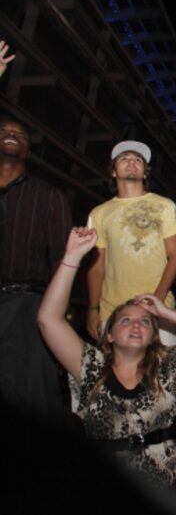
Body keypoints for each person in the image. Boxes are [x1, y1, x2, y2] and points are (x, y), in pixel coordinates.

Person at [37, 228, 176, 498]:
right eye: (125, 320)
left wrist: (164, 311)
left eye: (145, 322)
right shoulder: (90, 366)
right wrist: (72, 257)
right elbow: (48, 320)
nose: (136, 325)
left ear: (153, 337)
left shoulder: (169, 365)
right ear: (110, 335)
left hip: (165, 483)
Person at [0, 115, 71, 419]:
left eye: (20, 134)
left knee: (31, 394)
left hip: (24, 304)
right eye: (4, 131)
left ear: (28, 150)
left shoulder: (48, 196)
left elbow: (61, 259)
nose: (12, 134)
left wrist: (54, 312)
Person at [87, 140, 176, 345]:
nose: (132, 162)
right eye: (124, 159)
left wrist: (156, 300)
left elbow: (175, 257)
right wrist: (93, 309)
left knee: (163, 373)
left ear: (146, 172)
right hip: (112, 310)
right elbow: (97, 266)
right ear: (113, 171)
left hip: (160, 307)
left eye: (138, 159)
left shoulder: (165, 206)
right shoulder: (99, 213)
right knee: (116, 374)